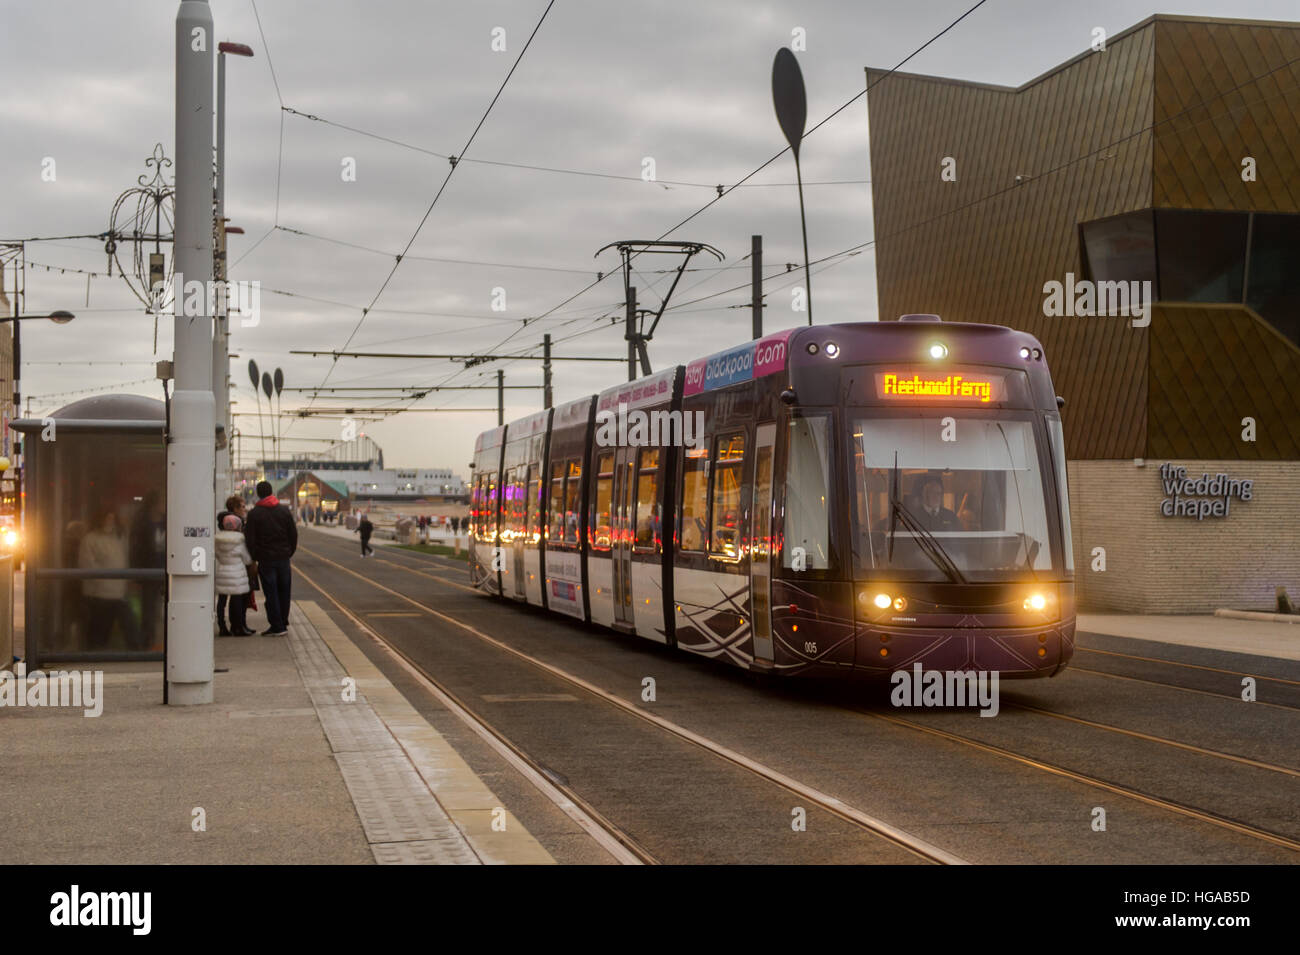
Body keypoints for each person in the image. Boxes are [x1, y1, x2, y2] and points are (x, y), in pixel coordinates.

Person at [79, 509, 139, 650]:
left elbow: (125, 561)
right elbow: (87, 565)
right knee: (100, 628)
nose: (110, 522)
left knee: (127, 626)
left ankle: (135, 652)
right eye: (107, 518)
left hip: (117, 592)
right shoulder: (90, 539)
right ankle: (95, 653)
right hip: (99, 594)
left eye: (112, 519)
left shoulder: (119, 538)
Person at [244, 480, 297, 635]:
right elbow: (293, 534)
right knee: (284, 590)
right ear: (271, 491)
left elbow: (250, 539)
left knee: (271, 591)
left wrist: (255, 556)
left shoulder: (254, 514)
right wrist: (289, 552)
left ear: (258, 494)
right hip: (283, 558)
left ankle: (277, 626)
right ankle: (283, 622)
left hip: (266, 559)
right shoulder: (284, 511)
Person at [214, 513, 255, 636]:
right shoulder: (240, 540)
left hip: (222, 572)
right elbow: (247, 559)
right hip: (237, 574)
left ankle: (222, 627)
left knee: (221, 601)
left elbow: (216, 555)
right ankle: (238, 627)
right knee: (237, 600)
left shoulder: (218, 539)